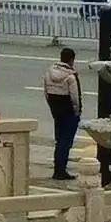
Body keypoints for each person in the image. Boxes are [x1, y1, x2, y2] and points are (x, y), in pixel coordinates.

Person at [42, 48, 82, 183]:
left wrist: (52, 107)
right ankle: (61, 171)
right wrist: (77, 112)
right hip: (69, 112)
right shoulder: (71, 76)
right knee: (66, 142)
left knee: (59, 140)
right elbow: (75, 97)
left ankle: (57, 169)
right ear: (72, 60)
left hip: (56, 110)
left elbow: (46, 92)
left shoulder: (50, 72)